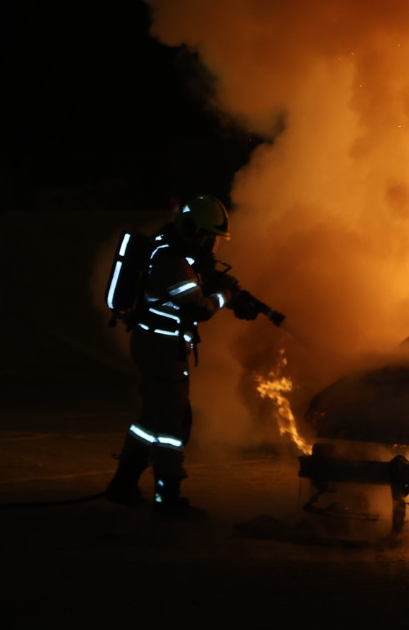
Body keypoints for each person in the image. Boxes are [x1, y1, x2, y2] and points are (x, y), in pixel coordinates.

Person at [104, 195, 283, 519]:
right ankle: (168, 498)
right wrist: (224, 296)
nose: (211, 244)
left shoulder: (174, 253)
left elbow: (197, 286)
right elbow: (196, 308)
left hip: (155, 344)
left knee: (153, 419)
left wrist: (231, 293)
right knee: (171, 426)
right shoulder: (172, 261)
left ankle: (123, 485)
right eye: (208, 236)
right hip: (161, 348)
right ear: (193, 231)